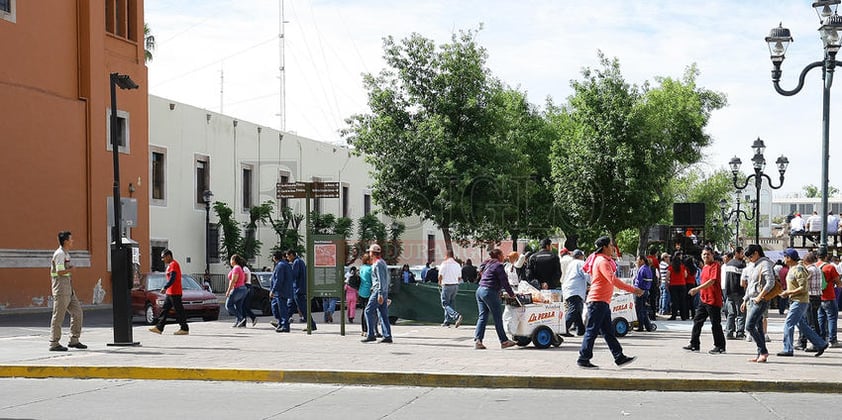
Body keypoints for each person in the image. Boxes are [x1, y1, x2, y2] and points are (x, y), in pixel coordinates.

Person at [577, 236, 643, 369]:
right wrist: (633, 289)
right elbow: (613, 280)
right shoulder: (602, 261)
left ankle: (619, 357)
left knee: (608, 332)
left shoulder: (602, 260)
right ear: (605, 247)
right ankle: (583, 358)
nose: (613, 248)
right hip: (597, 301)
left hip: (602, 302)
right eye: (611, 245)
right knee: (592, 331)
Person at [777, 248, 829, 358]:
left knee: (788, 324)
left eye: (785, 256)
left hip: (799, 301)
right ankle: (820, 343)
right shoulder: (793, 268)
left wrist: (788, 292)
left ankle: (788, 349)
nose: (783, 259)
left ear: (789, 258)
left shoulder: (799, 269)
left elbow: (803, 287)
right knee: (802, 325)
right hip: (796, 300)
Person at [473, 248, 517, 350]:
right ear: (498, 256)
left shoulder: (487, 263)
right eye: (502, 255)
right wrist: (511, 294)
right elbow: (504, 281)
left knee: (482, 316)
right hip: (489, 291)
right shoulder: (498, 265)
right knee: (497, 317)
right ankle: (504, 341)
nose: (503, 257)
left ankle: (478, 340)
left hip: (480, 290)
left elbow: (481, 271)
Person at [48, 231, 86, 351]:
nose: (72, 241)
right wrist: (71, 270)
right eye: (71, 239)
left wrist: (69, 269)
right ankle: (54, 343)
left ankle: (74, 339)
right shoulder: (59, 254)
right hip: (61, 288)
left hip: (68, 288)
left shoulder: (66, 254)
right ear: (65, 241)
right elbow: (59, 272)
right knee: (58, 316)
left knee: (77, 312)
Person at [685, 247, 726, 354]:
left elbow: (712, 281)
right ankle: (694, 344)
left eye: (708, 254)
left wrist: (696, 289)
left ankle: (720, 346)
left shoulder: (715, 266)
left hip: (713, 300)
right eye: (704, 254)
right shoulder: (705, 267)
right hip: (704, 299)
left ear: (712, 255)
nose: (706, 256)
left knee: (715, 324)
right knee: (697, 321)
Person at [741, 244, 776, 363]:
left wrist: (760, 296)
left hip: (760, 300)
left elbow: (770, 282)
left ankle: (763, 351)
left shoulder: (765, 263)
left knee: (749, 326)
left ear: (756, 253)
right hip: (751, 299)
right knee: (758, 327)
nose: (749, 259)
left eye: (750, 256)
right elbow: (750, 284)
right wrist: (745, 299)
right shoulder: (753, 265)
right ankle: (760, 353)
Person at [148, 249, 189, 335]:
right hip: (170, 293)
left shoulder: (174, 264)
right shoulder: (171, 265)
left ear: (168, 256)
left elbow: (172, 278)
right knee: (164, 310)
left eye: (163, 257)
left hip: (175, 292)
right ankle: (159, 328)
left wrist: (165, 287)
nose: (163, 260)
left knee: (179, 311)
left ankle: (184, 328)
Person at [362, 244, 392, 343]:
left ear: (372, 253)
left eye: (370, 252)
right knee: (383, 313)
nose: (369, 253)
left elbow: (380, 279)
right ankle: (387, 335)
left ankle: (371, 334)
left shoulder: (378, 264)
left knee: (368, 311)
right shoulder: (382, 262)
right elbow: (386, 279)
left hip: (377, 291)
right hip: (383, 291)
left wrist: (380, 294)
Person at [561, 249, 588, 337]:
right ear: (580, 256)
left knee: (577, 310)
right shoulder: (580, 263)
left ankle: (581, 330)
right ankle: (563, 328)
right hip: (575, 290)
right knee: (574, 309)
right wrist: (594, 282)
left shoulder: (571, 264)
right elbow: (587, 275)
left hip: (568, 288)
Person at [287, 249, 316, 331]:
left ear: (292, 255)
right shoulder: (300, 261)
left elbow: (294, 275)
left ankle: (312, 325)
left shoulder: (296, 262)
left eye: (288, 256)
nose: (288, 258)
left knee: (303, 308)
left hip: (298, 289)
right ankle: (283, 323)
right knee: (289, 307)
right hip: (297, 289)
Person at [816, 249, 840, 347]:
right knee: (832, 317)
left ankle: (822, 338)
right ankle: (832, 340)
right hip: (829, 296)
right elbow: (838, 282)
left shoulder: (814, 266)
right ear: (826, 256)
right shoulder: (830, 267)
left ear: (817, 256)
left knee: (821, 317)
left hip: (817, 296)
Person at [724, 247, 746, 340]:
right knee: (741, 313)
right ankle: (740, 333)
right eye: (742, 253)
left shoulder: (728, 264)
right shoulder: (740, 265)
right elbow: (744, 279)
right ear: (736, 253)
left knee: (731, 313)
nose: (743, 255)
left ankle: (729, 332)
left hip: (729, 292)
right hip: (739, 291)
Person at [269, 251, 293, 333]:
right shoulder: (283, 264)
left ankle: (285, 326)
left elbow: (279, 280)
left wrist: (273, 290)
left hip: (281, 291)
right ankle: (280, 323)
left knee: (282, 309)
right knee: (275, 307)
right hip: (280, 292)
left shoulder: (281, 265)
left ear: (275, 257)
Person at [438, 250, 463, 328]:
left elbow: (440, 275)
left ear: (446, 255)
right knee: (450, 303)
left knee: (445, 303)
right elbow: (459, 277)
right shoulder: (457, 265)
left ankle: (456, 316)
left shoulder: (444, 264)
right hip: (455, 285)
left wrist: (439, 282)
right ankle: (447, 321)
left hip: (446, 285)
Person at [225, 254, 249, 328]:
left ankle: (240, 318)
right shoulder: (240, 268)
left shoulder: (236, 268)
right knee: (238, 306)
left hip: (237, 289)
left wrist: (228, 291)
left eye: (231, 260)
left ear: (234, 260)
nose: (230, 262)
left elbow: (233, 280)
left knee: (228, 306)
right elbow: (245, 278)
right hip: (243, 289)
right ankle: (238, 322)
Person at [632, 255, 655, 332]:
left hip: (640, 290)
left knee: (639, 310)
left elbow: (638, 281)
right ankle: (648, 326)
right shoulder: (648, 268)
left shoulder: (642, 269)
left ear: (642, 260)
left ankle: (641, 326)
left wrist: (635, 289)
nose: (637, 262)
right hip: (646, 291)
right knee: (644, 310)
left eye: (638, 260)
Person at [358, 253, 375, 337]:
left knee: (363, 311)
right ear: (368, 260)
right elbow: (373, 280)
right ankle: (369, 330)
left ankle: (363, 330)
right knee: (369, 312)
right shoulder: (370, 269)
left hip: (361, 291)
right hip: (369, 291)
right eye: (371, 259)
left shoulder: (361, 268)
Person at [667, 254, 687, 320]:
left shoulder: (671, 267)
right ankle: (683, 316)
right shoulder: (683, 267)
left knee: (674, 301)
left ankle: (674, 315)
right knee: (683, 301)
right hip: (682, 285)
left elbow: (667, 276)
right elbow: (686, 275)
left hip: (673, 285)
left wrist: (668, 283)